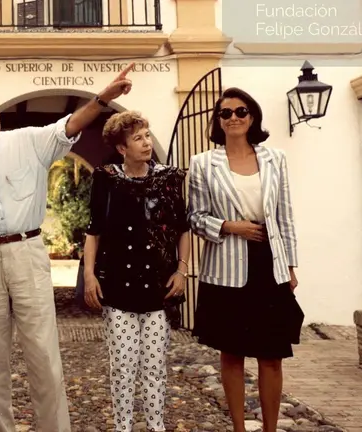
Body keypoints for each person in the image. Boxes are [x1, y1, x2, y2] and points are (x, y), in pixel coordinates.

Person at [0, 64, 136, 431]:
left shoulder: (27, 140)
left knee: (44, 353)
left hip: (26, 251)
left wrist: (103, 98)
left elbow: (71, 125)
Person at [187, 87, 303, 432]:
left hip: (270, 263)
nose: (234, 118)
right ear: (218, 120)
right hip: (225, 267)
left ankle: (269, 428)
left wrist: (291, 267)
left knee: (272, 354)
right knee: (232, 353)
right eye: (226, 113)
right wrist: (228, 226)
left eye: (241, 111)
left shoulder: (274, 158)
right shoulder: (203, 163)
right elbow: (194, 217)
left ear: (252, 117)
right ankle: (238, 428)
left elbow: (285, 215)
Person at [82, 111, 191, 432]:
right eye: (138, 138)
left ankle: (156, 427)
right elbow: (94, 231)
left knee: (156, 366)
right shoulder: (105, 179)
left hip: (159, 287)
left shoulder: (169, 179)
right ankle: (124, 427)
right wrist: (90, 274)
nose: (146, 143)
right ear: (122, 149)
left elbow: (182, 228)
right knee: (123, 367)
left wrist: (182, 270)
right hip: (118, 287)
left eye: (147, 135)